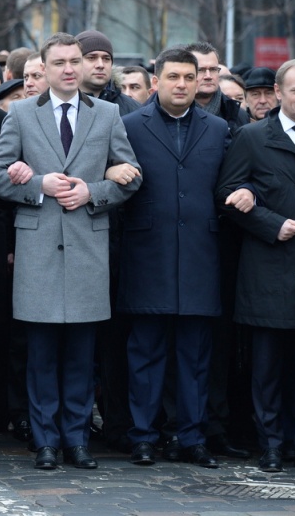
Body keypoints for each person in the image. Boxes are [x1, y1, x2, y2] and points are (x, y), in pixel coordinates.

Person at [0, 32, 141, 471]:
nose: (69, 69)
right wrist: (37, 187)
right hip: (38, 249)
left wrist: (94, 191)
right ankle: (45, 439)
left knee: (80, 355)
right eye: (60, 62)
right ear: (45, 69)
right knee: (40, 354)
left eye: (75, 61)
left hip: (89, 247)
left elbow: (132, 177)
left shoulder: (107, 114)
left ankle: (76, 439)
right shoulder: (20, 115)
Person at [216, 58, 295, 473]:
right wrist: (270, 224)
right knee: (266, 367)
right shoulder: (252, 137)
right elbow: (228, 193)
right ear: (279, 93)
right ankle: (270, 444)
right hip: (268, 268)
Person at [119, 47, 230, 469]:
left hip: (201, 256)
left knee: (195, 356)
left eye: (189, 76)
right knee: (145, 353)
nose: (182, 84)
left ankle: (191, 435)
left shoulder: (218, 128)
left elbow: (229, 182)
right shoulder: (129, 125)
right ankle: (144, 435)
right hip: (148, 254)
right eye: (173, 77)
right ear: (155, 82)